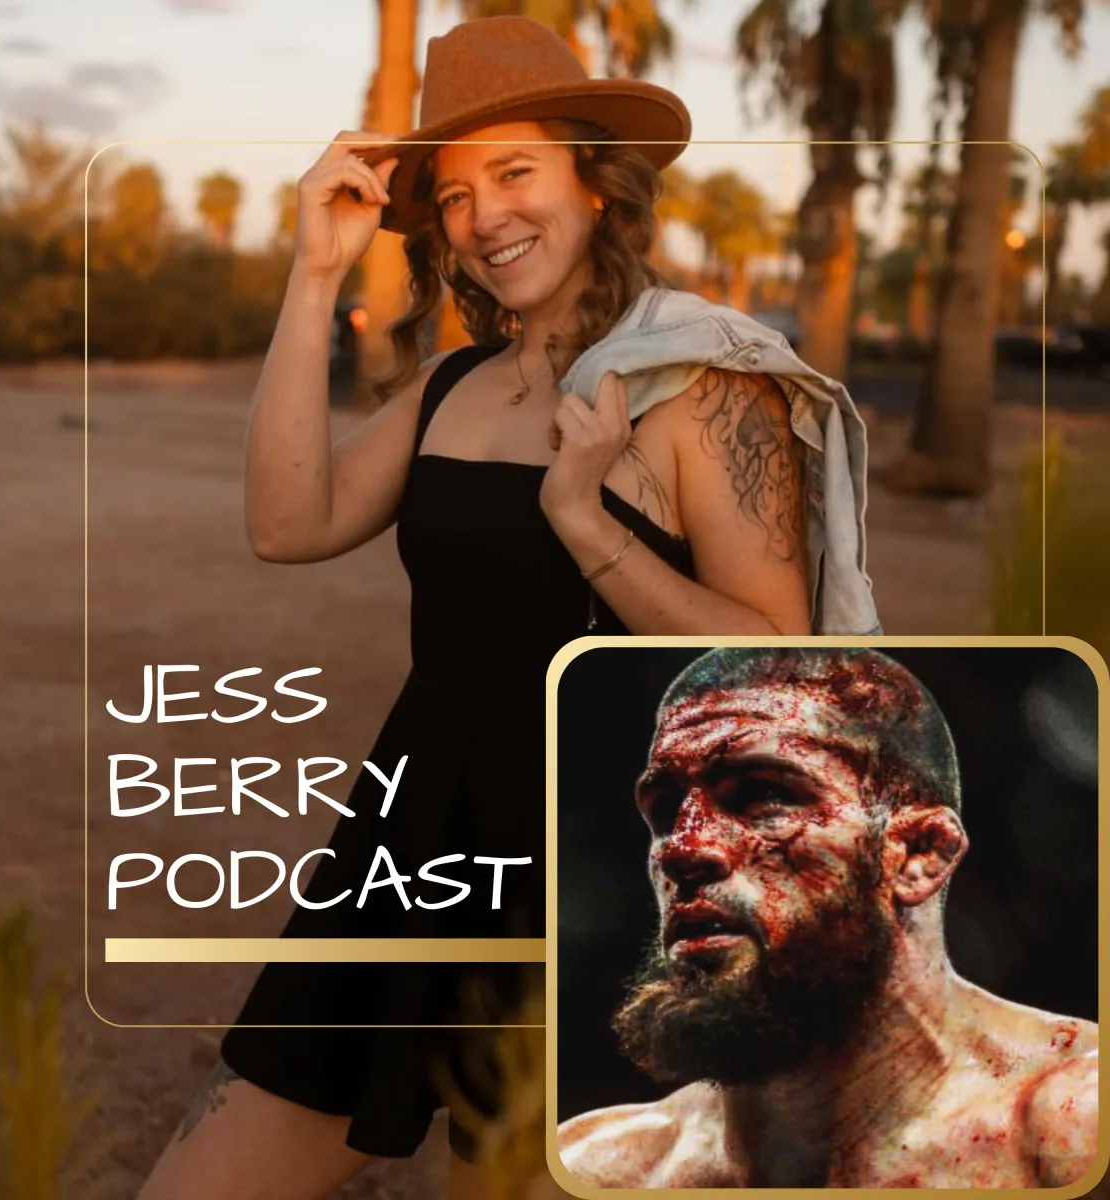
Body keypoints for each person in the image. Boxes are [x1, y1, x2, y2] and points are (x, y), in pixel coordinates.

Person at [137, 15, 825, 1200]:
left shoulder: (702, 386)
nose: (485, 216)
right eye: (454, 195)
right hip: (416, 842)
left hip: (603, 859)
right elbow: (285, 522)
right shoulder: (455, 383)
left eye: (516, 173)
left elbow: (772, 661)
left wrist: (584, 518)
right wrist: (315, 275)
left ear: (596, 185)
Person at [558, 647, 1100, 1190]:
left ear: (918, 853)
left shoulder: (1076, 1124)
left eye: (763, 794)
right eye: (665, 809)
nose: (684, 847)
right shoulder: (600, 1170)